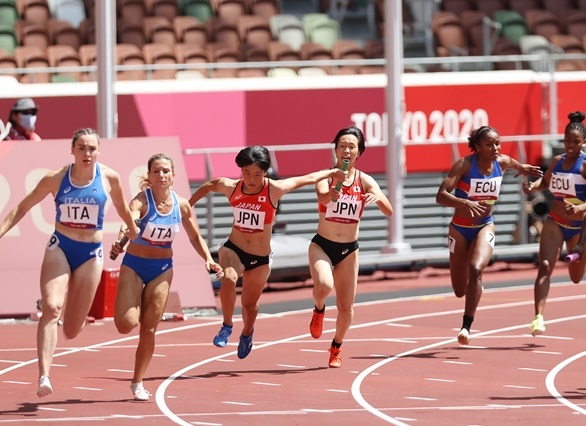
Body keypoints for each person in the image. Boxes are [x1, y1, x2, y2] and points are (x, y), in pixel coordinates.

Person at [0, 128, 140, 398]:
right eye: (82, 148)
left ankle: (64, 311)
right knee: (52, 308)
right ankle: (44, 376)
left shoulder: (109, 177)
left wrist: (132, 229)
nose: (87, 153)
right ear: (72, 150)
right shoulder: (56, 178)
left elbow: (123, 209)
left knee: (73, 330)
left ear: (99, 151)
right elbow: (22, 207)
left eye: (92, 148)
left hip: (90, 253)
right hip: (61, 247)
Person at [189, 146, 347, 359]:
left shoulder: (274, 189)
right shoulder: (231, 187)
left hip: (260, 258)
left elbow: (308, 178)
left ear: (265, 172)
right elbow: (208, 186)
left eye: (257, 174)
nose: (251, 179)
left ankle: (247, 333)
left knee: (249, 305)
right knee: (229, 277)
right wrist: (187, 206)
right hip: (233, 248)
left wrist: (331, 173)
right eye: (246, 173)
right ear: (240, 171)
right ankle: (226, 326)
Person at [109, 153, 223, 402]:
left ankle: (137, 381)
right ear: (149, 176)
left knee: (149, 329)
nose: (161, 175)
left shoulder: (181, 205)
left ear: (173, 175)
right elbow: (127, 222)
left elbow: (195, 236)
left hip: (161, 269)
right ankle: (132, 303)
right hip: (134, 265)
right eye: (156, 171)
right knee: (126, 324)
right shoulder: (142, 200)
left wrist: (208, 258)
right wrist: (120, 240)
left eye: (165, 171)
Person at [435, 125, 543, 345]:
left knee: (476, 268)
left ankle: (466, 327)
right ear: (476, 147)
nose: (495, 148)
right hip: (459, 228)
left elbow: (517, 166)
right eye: (489, 144)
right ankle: (474, 286)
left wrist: (526, 173)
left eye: (497, 143)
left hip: (485, 225)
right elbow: (441, 196)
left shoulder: (501, 162)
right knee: (458, 290)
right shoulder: (464, 165)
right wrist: (463, 202)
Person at [308, 126, 393, 368]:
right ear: (335, 149)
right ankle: (319, 309)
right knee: (324, 285)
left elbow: (389, 210)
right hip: (322, 245)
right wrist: (334, 191)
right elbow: (323, 198)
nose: (346, 150)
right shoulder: (326, 176)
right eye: (342, 145)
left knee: (346, 308)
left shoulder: (365, 180)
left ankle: (336, 347)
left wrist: (378, 199)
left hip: (348, 250)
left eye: (352, 147)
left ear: (359, 152)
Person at [525, 111, 586, 336]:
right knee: (545, 267)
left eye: (575, 142)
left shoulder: (584, 165)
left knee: (576, 277)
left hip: (580, 229)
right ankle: (538, 318)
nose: (570, 145)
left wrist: (580, 207)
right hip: (555, 222)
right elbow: (545, 181)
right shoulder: (557, 161)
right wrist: (533, 186)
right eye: (567, 140)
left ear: (583, 143)